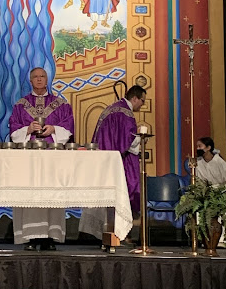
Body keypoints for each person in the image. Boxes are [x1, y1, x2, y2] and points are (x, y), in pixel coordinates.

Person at [8, 67, 74, 250]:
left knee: (51, 194)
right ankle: (30, 237)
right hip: (29, 158)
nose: (39, 80)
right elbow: (14, 130)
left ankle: (50, 237)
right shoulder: (20, 105)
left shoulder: (60, 104)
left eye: (42, 77)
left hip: (52, 157)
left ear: (48, 80)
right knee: (30, 195)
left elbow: (68, 127)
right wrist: (28, 130)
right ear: (30, 81)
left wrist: (54, 129)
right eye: (35, 77)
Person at [78, 85, 145, 241]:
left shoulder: (112, 109)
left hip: (103, 159)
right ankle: (120, 234)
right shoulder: (126, 113)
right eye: (142, 101)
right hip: (118, 161)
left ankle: (104, 233)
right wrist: (141, 140)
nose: (142, 105)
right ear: (134, 98)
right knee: (123, 193)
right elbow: (126, 141)